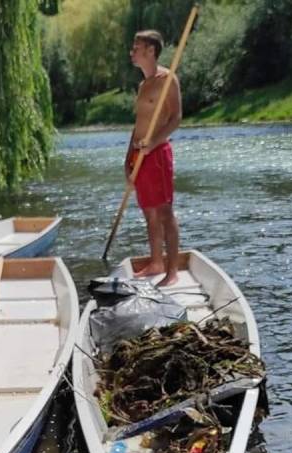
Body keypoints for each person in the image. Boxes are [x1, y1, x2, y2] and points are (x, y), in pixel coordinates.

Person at [126, 29, 183, 287]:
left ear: (151, 51)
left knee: (164, 212)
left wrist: (154, 142)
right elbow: (138, 124)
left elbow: (176, 119)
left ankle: (172, 272)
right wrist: (128, 156)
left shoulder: (167, 80)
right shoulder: (143, 85)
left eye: (136, 47)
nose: (132, 51)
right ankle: (156, 262)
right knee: (148, 213)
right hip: (139, 154)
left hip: (158, 154)